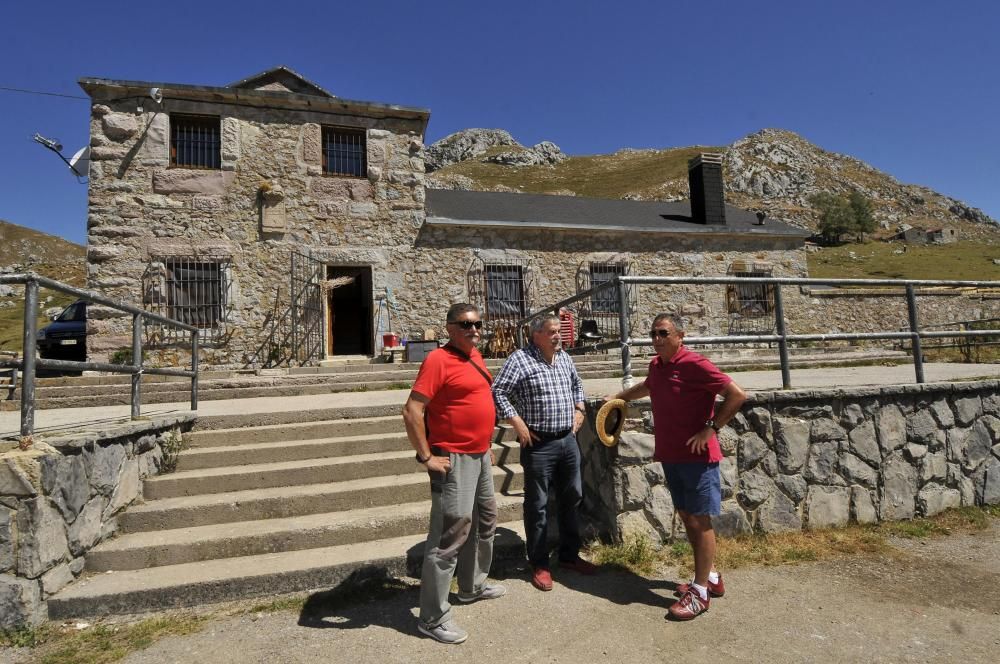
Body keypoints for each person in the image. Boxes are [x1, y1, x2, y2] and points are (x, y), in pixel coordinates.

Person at [605, 313, 746, 620]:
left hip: (697, 458)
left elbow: (737, 395)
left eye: (663, 333)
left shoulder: (695, 364)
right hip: (671, 455)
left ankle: (699, 593)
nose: (656, 338)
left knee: (699, 520)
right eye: (653, 333)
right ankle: (710, 578)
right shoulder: (657, 366)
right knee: (687, 516)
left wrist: (711, 428)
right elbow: (647, 386)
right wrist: (617, 396)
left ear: (680, 336)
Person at [402, 303, 505, 644]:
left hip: (478, 454)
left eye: (478, 324)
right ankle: (432, 617)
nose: (474, 330)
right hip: (452, 458)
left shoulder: (474, 356)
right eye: (465, 325)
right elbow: (412, 410)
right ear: (449, 327)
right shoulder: (437, 360)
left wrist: (484, 443)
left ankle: (472, 585)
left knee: (485, 520)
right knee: (449, 536)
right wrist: (426, 456)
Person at [492, 314, 598, 592]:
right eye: (552, 331)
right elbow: (497, 392)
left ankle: (569, 556)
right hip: (539, 446)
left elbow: (577, 384)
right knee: (537, 505)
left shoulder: (563, 357)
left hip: (568, 441)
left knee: (572, 497)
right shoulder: (519, 359)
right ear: (535, 334)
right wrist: (516, 421)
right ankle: (539, 563)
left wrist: (580, 408)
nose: (557, 336)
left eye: (559, 331)